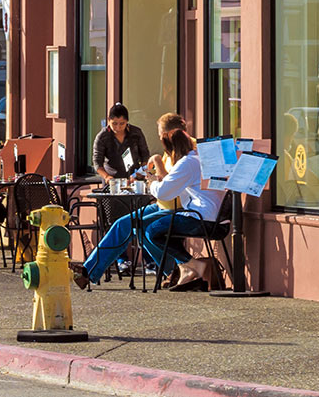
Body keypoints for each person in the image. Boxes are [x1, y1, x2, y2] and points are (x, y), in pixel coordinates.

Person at [74, 113, 225, 291]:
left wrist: (156, 167)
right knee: (123, 224)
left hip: (177, 206)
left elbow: (171, 183)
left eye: (161, 134)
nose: (159, 138)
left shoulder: (187, 149)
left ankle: (175, 269)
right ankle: (174, 269)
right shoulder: (177, 149)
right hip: (165, 203)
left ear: (169, 135)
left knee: (135, 226)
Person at [91, 103, 150, 182]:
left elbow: (145, 155)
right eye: (114, 123)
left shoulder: (136, 133)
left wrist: (141, 171)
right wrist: (107, 177)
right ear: (109, 120)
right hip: (112, 181)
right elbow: (97, 163)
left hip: (135, 178)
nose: (118, 127)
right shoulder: (102, 137)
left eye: (122, 123)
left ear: (127, 121)